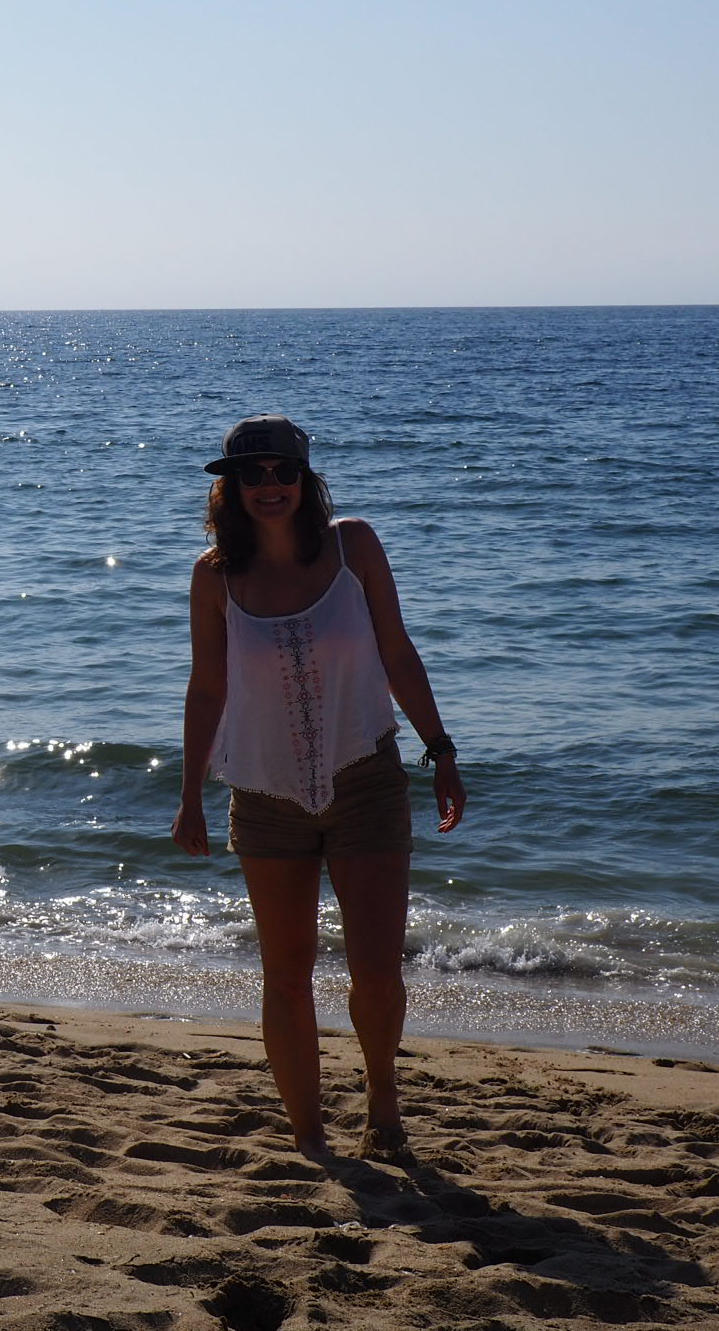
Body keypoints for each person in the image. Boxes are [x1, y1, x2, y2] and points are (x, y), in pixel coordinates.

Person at [172, 415, 465, 1163]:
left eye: (283, 472)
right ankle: (309, 1137)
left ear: (306, 480)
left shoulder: (353, 547)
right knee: (286, 974)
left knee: (374, 970)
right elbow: (206, 689)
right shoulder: (215, 576)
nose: (269, 487)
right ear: (230, 488)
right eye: (252, 475)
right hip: (263, 796)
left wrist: (441, 750)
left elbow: (397, 651)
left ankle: (383, 1098)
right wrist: (188, 795)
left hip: (368, 779)